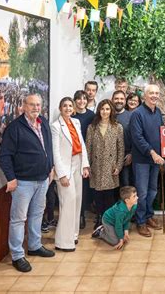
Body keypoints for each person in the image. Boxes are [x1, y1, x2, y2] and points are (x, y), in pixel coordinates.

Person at [0, 93, 55, 273]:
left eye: (38, 105)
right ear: (23, 106)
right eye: (32, 105)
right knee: (18, 220)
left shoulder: (43, 122)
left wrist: (50, 166)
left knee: (37, 214)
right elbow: (4, 156)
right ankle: (17, 255)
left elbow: (48, 147)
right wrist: (11, 178)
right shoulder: (14, 128)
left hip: (43, 179)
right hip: (23, 182)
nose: (36, 108)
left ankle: (35, 245)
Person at [51, 97, 90, 252]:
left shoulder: (76, 122)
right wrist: (61, 174)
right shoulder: (55, 127)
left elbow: (82, 145)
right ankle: (63, 241)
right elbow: (56, 152)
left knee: (77, 201)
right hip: (65, 168)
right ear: (60, 108)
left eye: (70, 106)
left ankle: (73, 235)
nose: (68, 108)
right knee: (68, 201)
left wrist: (85, 165)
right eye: (65, 106)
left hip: (77, 163)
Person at [130, 84, 164, 237]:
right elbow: (137, 138)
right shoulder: (137, 113)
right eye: (151, 93)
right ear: (145, 95)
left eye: (157, 93)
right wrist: (152, 153)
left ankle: (149, 215)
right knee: (142, 193)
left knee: (152, 190)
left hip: (155, 160)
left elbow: (161, 133)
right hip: (142, 160)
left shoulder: (158, 113)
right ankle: (141, 221)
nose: (154, 96)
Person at [86, 99, 125, 228]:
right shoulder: (92, 127)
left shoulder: (117, 127)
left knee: (109, 196)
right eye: (102, 109)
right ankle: (99, 218)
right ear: (99, 110)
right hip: (96, 166)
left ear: (111, 111)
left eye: (107, 109)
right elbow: (88, 148)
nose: (105, 111)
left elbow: (121, 148)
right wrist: (88, 165)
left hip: (111, 166)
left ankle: (109, 220)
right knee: (97, 195)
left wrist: (118, 166)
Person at [72, 90, 95, 229]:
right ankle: (77, 214)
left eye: (84, 99)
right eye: (79, 99)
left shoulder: (91, 115)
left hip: (87, 155)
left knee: (85, 187)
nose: (82, 101)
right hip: (74, 155)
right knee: (75, 186)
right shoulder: (71, 115)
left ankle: (82, 214)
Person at [112, 90, 133, 187]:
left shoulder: (131, 116)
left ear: (125, 101)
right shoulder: (107, 114)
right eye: (116, 98)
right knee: (112, 187)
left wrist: (131, 154)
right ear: (112, 100)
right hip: (110, 158)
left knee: (126, 185)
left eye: (121, 99)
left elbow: (136, 137)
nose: (119, 101)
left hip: (126, 157)